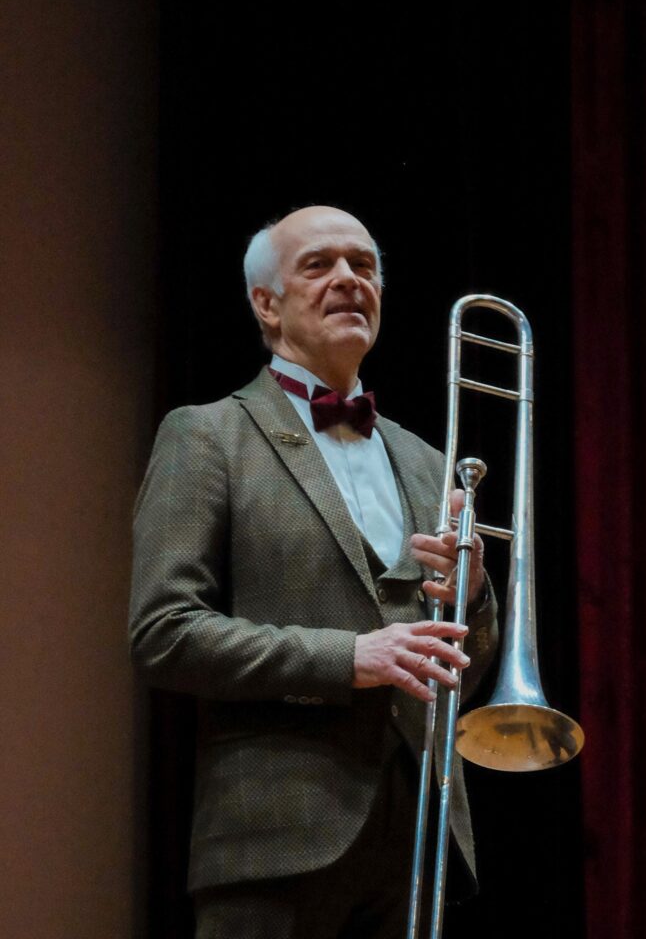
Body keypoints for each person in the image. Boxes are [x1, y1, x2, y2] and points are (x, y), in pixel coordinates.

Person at [129, 205, 499, 939]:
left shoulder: (430, 462)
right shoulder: (207, 435)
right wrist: (349, 657)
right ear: (266, 304)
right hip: (276, 837)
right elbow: (163, 634)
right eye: (319, 265)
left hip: (418, 835)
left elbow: (465, 670)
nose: (348, 279)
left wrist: (476, 597)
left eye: (364, 266)